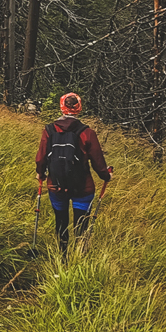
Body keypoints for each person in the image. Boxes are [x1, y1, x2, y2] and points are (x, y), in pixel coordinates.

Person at [35, 92, 112, 258]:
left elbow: (41, 158)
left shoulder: (48, 130)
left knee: (61, 222)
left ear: (61, 107)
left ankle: (62, 258)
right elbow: (98, 162)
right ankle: (80, 258)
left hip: (56, 186)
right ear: (79, 108)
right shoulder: (87, 133)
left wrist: (40, 174)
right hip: (83, 188)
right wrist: (106, 176)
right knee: (81, 225)